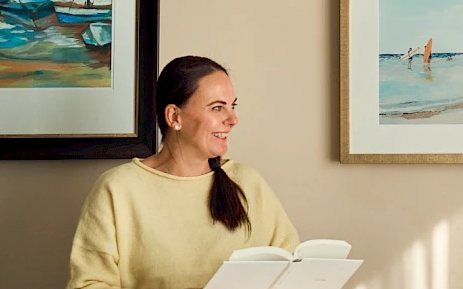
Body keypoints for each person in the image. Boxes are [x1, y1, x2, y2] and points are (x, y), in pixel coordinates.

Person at [66, 56, 299, 289]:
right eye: (217, 107)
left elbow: (294, 271)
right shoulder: (117, 189)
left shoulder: (249, 183)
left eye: (232, 106)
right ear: (174, 117)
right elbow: (88, 284)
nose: (233, 119)